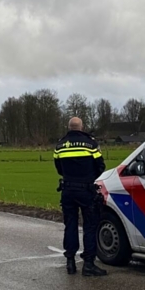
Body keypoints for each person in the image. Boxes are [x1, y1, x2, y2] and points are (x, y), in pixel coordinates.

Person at [54, 117, 108, 276]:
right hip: (86, 189)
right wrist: (88, 178)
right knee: (90, 226)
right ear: (81, 127)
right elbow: (101, 166)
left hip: (68, 189)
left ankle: (70, 262)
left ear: (69, 128)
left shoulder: (60, 145)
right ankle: (88, 264)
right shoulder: (91, 144)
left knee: (70, 225)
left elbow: (58, 168)